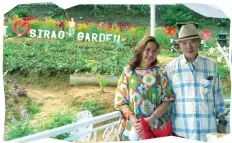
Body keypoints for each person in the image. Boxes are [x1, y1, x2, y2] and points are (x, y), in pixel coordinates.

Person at [164, 24, 227, 142]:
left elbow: (218, 97)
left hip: (208, 131)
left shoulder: (211, 65)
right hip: (180, 131)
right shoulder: (171, 68)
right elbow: (166, 100)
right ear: (179, 44)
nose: (189, 46)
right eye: (184, 43)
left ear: (199, 42)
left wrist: (222, 122)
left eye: (192, 41)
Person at [114, 36, 174, 141]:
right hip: (133, 128)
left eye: (154, 51)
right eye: (148, 50)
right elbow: (120, 101)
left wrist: (150, 120)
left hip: (156, 128)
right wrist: (134, 120)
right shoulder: (128, 72)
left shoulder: (159, 73)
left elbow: (167, 99)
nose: (151, 54)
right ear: (141, 50)